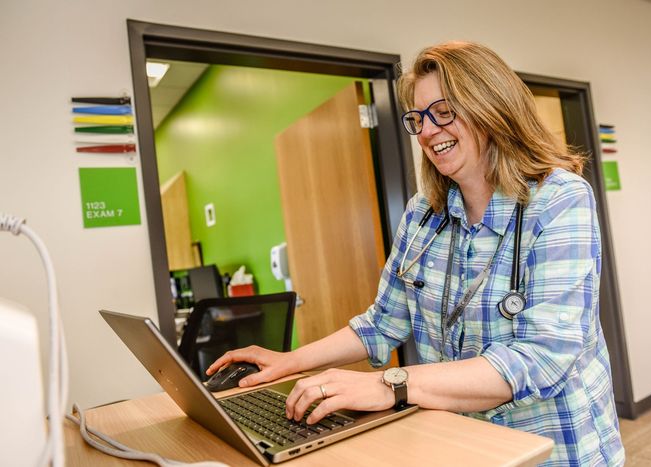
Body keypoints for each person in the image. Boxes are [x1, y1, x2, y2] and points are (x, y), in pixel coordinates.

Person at [207, 41, 624, 465]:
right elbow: (381, 323)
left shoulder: (559, 199)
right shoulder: (423, 215)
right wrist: (290, 361)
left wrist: (390, 384)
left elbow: (542, 356)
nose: (426, 131)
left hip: (553, 448)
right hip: (458, 442)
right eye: (418, 118)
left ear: (492, 106)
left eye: (443, 112)